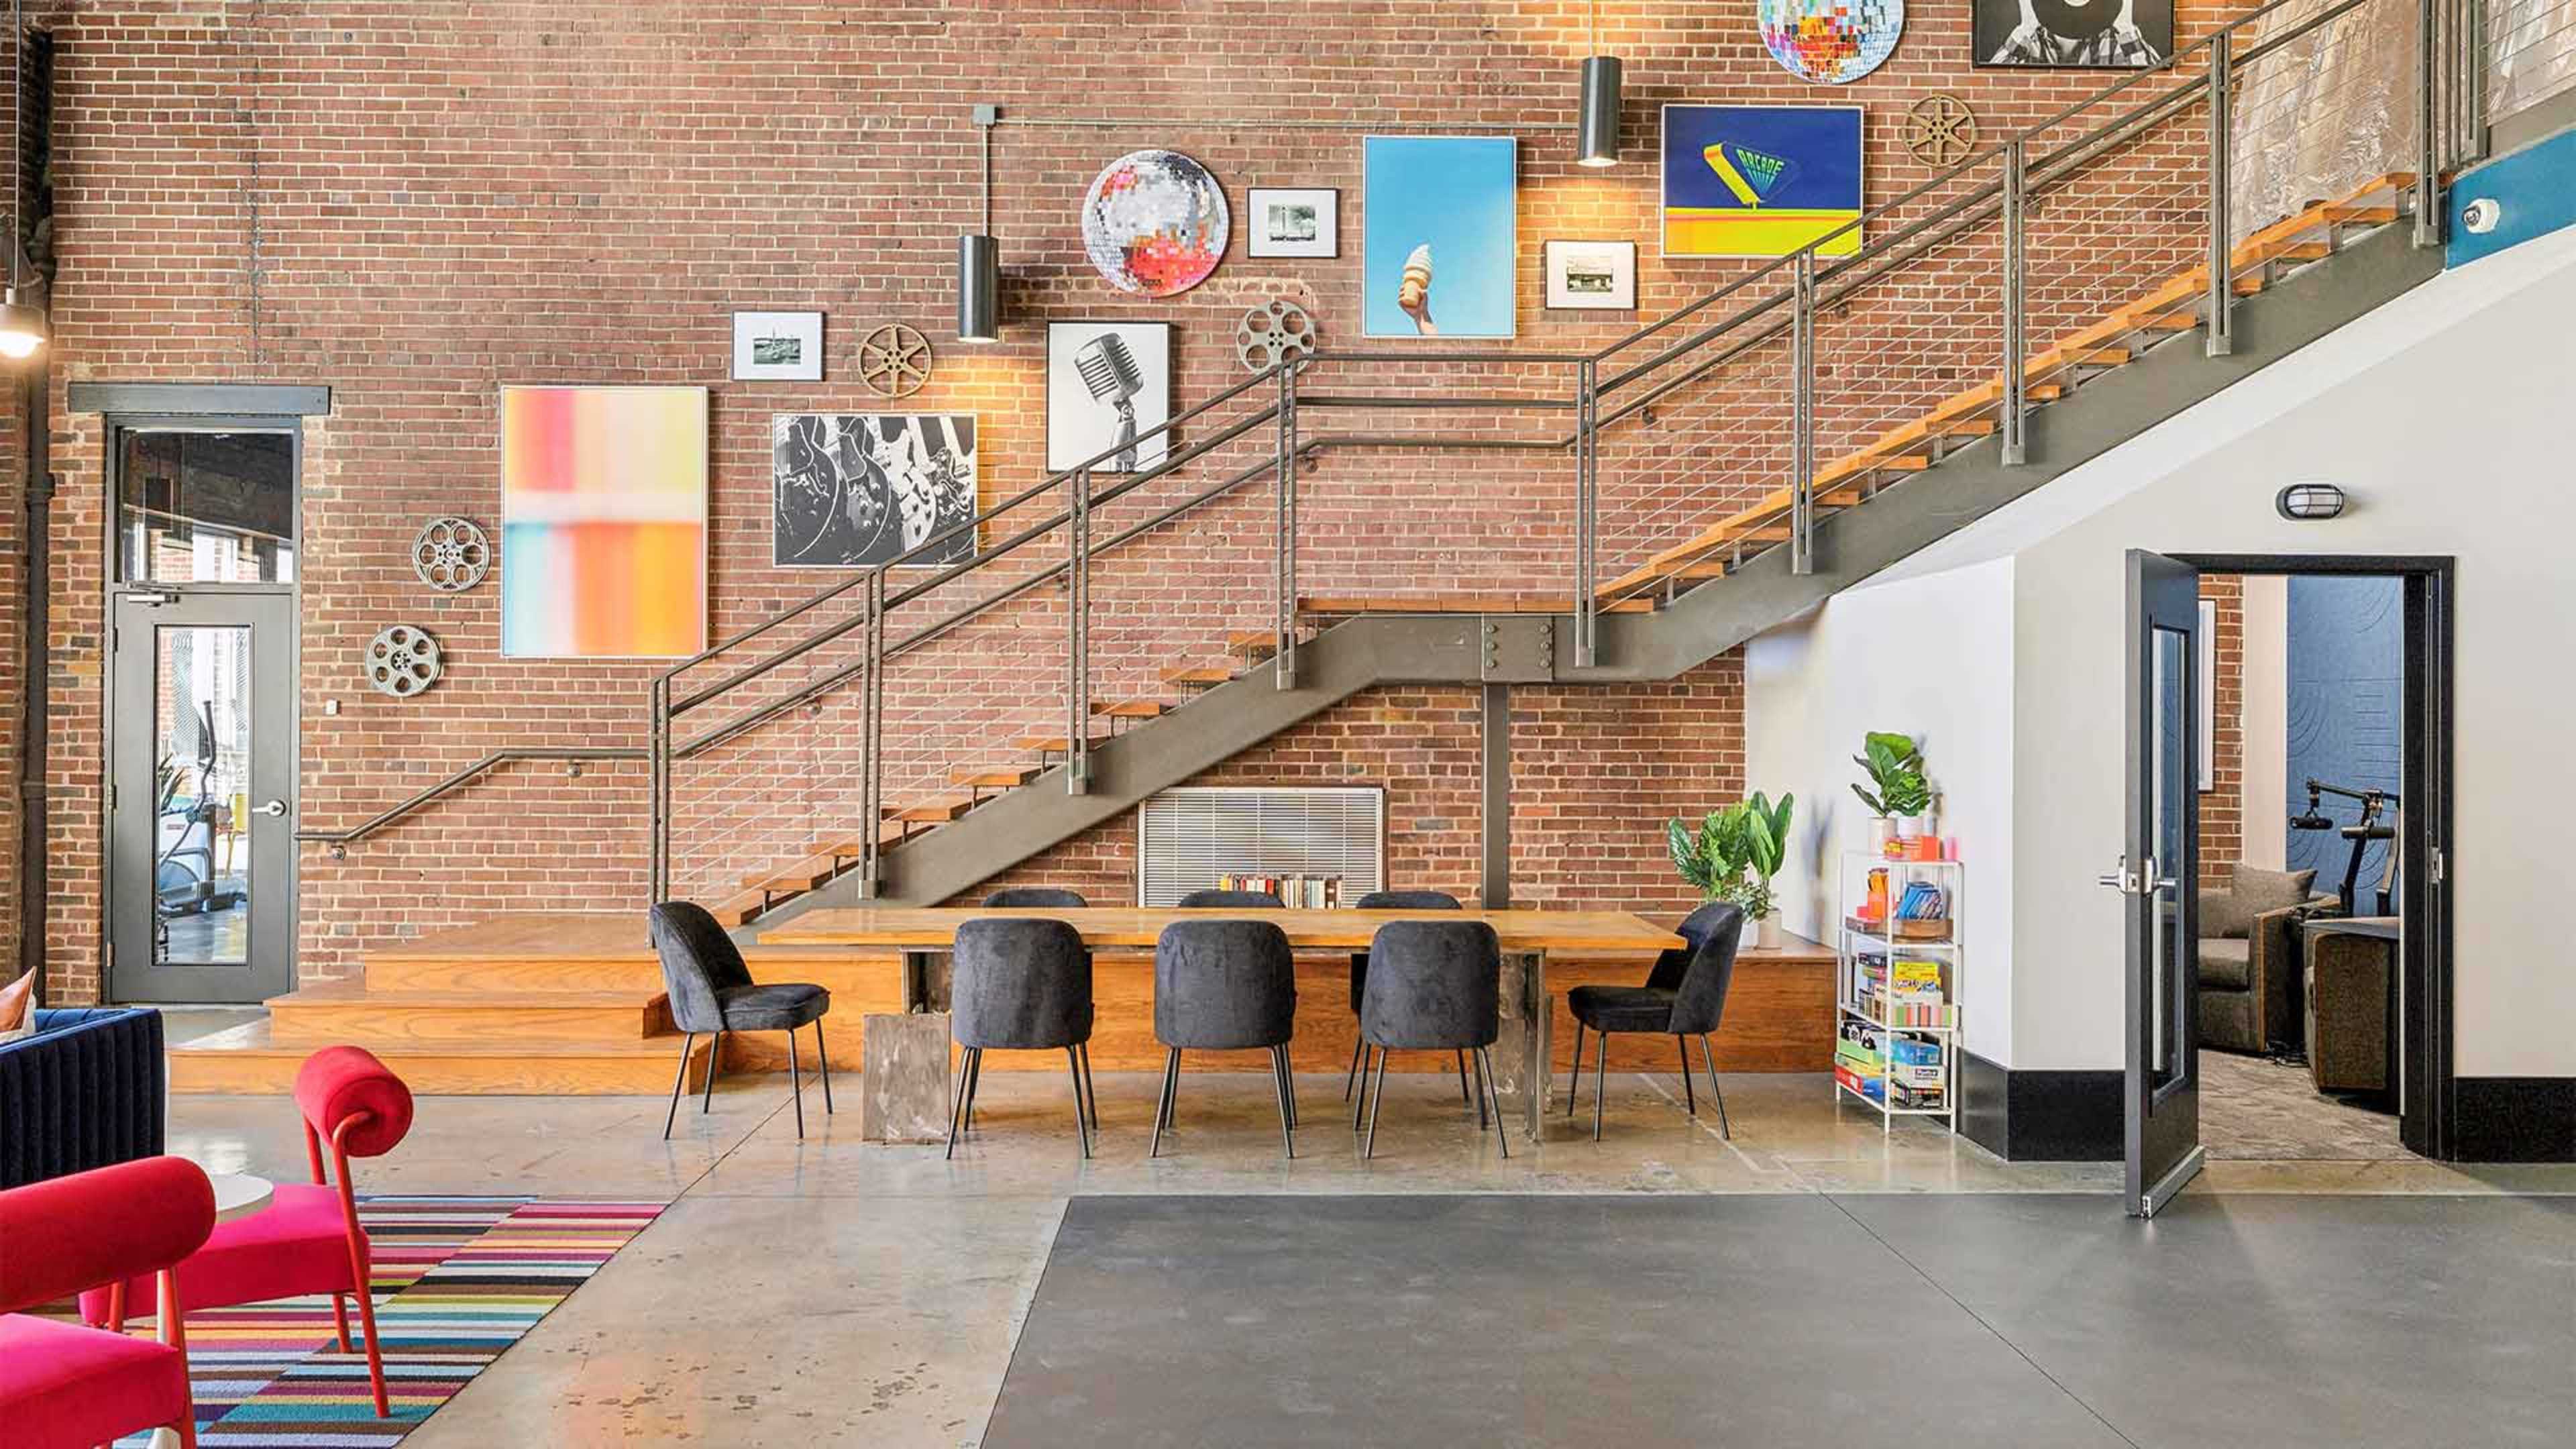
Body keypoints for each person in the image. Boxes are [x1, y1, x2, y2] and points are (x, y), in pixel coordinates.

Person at [1988, 0, 2165, 67]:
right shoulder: (2029, 40)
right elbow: (1992, 84)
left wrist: (2126, 27)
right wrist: (2027, 26)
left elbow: (2154, 87)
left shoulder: (2117, 40)